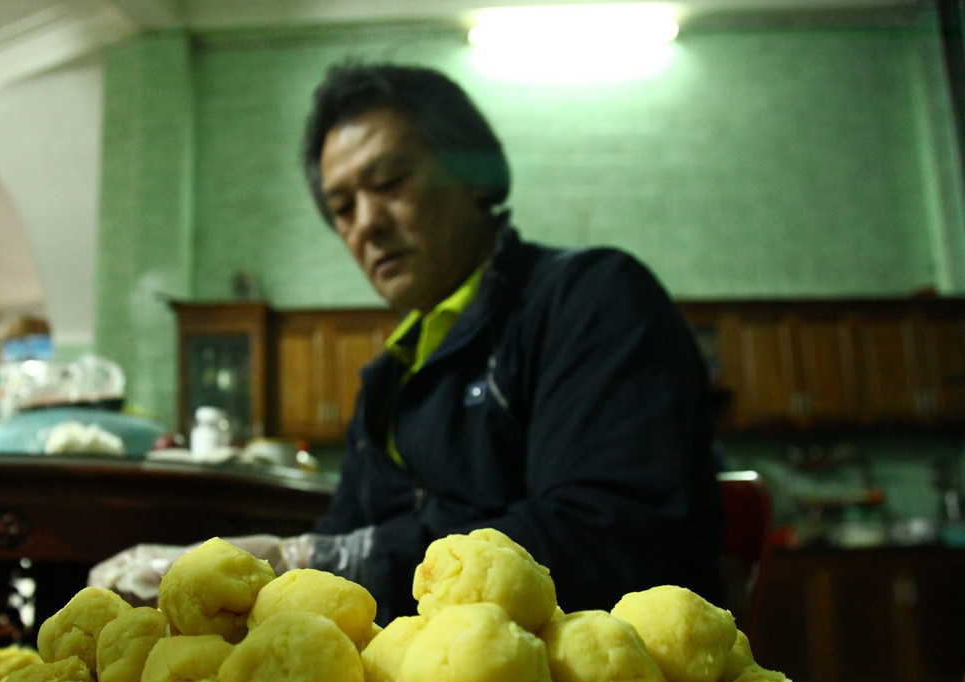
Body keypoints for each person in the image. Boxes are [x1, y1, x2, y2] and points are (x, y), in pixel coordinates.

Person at [91, 61, 726, 623]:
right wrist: (257, 573)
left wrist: (303, 557)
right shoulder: (391, 378)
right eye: (342, 208)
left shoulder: (590, 298)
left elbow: (605, 536)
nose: (366, 222)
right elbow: (341, 549)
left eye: (390, 181)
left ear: (476, 173)